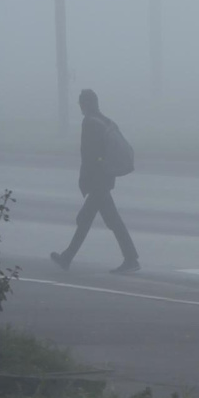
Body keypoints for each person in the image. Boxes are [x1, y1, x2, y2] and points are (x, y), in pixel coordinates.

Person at [50, 88, 139, 273]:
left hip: (98, 181)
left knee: (88, 219)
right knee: (102, 220)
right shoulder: (106, 121)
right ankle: (130, 258)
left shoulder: (89, 123)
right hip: (106, 178)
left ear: (86, 104)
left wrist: (84, 180)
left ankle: (130, 259)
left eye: (81, 103)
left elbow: (89, 155)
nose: (80, 107)